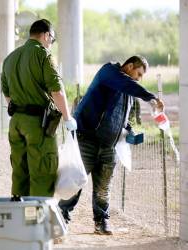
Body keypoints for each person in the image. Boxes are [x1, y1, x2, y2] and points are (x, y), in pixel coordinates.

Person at [58, 55, 165, 235]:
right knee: (75, 181)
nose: (139, 79)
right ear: (129, 66)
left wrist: (129, 130)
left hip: (109, 145)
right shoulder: (108, 72)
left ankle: (101, 222)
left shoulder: (129, 90)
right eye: (138, 74)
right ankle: (61, 219)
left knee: (103, 188)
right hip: (86, 140)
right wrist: (151, 98)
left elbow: (124, 117)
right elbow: (126, 84)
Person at [1, 19, 76, 198]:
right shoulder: (43, 55)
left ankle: (19, 221)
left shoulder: (10, 58)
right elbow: (56, 90)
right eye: (52, 39)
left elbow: (7, 93)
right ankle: (37, 222)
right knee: (42, 174)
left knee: (20, 173)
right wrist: (67, 118)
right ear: (45, 35)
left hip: (16, 123)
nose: (51, 43)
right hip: (38, 124)